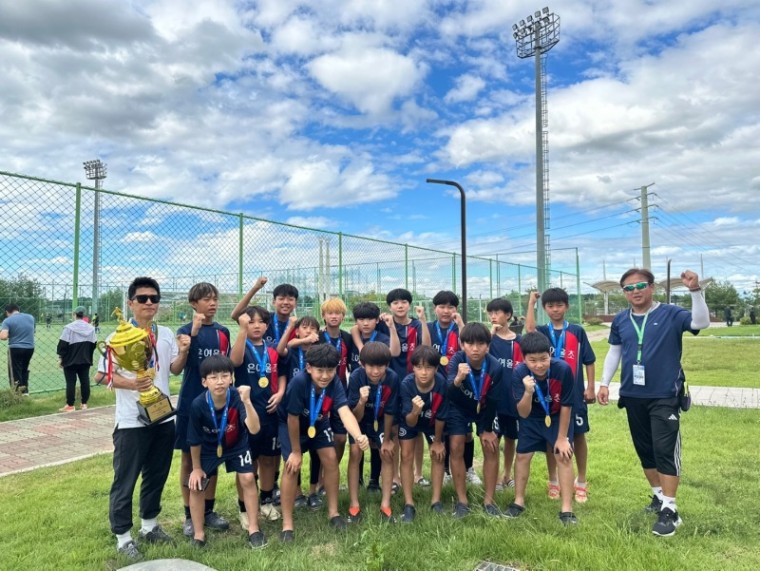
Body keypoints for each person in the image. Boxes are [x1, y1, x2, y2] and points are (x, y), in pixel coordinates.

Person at [597, 268, 709, 537]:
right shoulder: (621, 320)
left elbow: (700, 323)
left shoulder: (670, 313)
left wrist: (695, 290)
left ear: (652, 287)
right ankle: (658, 496)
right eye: (628, 288)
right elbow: (615, 352)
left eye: (640, 286)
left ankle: (671, 509)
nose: (635, 292)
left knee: (664, 449)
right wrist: (604, 383)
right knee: (645, 449)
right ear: (623, 292)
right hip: (633, 395)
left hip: (664, 395)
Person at [99, 277, 186, 561]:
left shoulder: (166, 333)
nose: (149, 303)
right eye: (143, 298)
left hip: (162, 416)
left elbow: (173, 370)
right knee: (126, 479)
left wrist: (183, 352)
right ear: (130, 303)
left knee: (157, 474)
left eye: (154, 298)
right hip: (130, 421)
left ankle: (149, 525)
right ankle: (123, 538)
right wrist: (131, 385)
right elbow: (101, 376)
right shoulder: (118, 338)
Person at [278, 344, 370, 542]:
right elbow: (292, 418)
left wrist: (358, 434)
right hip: (291, 425)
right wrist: (295, 451)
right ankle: (287, 525)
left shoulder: (335, 382)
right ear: (309, 367)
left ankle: (334, 513)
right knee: (291, 467)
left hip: (318, 422)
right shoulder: (298, 383)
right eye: (320, 370)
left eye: (330, 370)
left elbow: (344, 411)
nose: (325, 376)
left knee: (330, 459)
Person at [171, 282, 232, 538]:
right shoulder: (185, 331)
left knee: (213, 458)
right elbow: (178, 367)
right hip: (190, 405)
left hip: (217, 407)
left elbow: (226, 368)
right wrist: (192, 337)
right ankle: (189, 514)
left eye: (215, 298)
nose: (213, 303)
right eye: (206, 299)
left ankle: (208, 510)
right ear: (194, 303)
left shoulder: (223, 332)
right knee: (188, 458)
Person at [186, 355, 266, 549]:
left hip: (237, 444)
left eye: (224, 376)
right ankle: (199, 534)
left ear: (231, 378)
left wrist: (247, 402)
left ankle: (254, 529)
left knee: (248, 477)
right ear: (204, 382)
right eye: (213, 377)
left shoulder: (238, 398)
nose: (220, 381)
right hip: (208, 448)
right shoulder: (198, 404)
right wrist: (196, 468)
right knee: (197, 484)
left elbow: (254, 429)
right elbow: (194, 440)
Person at [526, 288, 596, 503]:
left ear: (567, 306)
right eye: (550, 306)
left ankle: (581, 481)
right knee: (552, 439)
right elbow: (529, 331)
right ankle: (553, 480)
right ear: (545, 309)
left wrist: (591, 387)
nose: (555, 309)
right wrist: (531, 303)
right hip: (550, 395)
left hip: (574, 395)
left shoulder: (577, 331)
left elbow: (589, 360)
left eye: (559, 305)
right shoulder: (543, 331)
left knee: (578, 436)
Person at [507, 331, 577, 525]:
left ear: (550, 354)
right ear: (524, 359)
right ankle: (518, 501)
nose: (539, 365)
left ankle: (566, 510)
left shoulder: (562, 369)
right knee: (522, 456)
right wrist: (528, 392)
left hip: (556, 417)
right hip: (532, 419)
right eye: (533, 360)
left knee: (563, 455)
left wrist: (562, 438)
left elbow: (566, 405)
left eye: (543, 359)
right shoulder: (519, 372)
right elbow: (522, 413)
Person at [231, 305, 286, 526]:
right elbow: (234, 362)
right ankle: (244, 507)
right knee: (248, 461)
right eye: (251, 321)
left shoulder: (272, 348)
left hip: (270, 410)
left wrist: (281, 393)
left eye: (260, 322)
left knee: (268, 459)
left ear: (267, 325)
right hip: (247, 412)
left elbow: (281, 374)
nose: (256, 325)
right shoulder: (241, 346)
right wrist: (242, 330)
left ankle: (266, 500)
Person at [446, 322, 503, 517]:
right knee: (455, 446)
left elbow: (495, 399)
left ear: (488, 345)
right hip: (458, 407)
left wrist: (487, 429)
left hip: (485, 409)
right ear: (462, 345)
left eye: (480, 343)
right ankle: (462, 501)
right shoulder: (457, 360)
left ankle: (489, 502)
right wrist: (458, 379)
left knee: (491, 446)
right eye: (469, 343)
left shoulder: (495, 366)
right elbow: (449, 393)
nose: (475, 348)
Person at [346, 342, 399, 522]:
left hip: (382, 421)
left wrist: (388, 439)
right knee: (355, 452)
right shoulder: (355, 377)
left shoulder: (392, 378)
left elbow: (391, 410)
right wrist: (361, 401)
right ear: (362, 364)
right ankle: (354, 503)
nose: (375, 371)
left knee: (387, 453)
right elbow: (354, 416)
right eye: (371, 366)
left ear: (387, 365)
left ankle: (385, 504)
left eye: (380, 366)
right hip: (360, 422)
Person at [398, 345, 447, 522]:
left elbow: (442, 415)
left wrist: (438, 441)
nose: (424, 372)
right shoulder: (406, 385)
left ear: (436, 368)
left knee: (438, 454)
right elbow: (409, 421)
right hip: (411, 420)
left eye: (428, 368)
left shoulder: (441, 383)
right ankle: (409, 503)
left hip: (434, 422)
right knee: (405, 455)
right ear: (413, 368)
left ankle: (436, 501)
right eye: (419, 367)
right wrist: (415, 411)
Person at [277, 315, 322, 509]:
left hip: (313, 411)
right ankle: (297, 493)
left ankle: (313, 491)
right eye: (305, 327)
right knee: (292, 456)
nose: (309, 331)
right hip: (292, 409)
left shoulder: (319, 353)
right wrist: (298, 335)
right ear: (297, 331)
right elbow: (281, 348)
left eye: (313, 328)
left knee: (316, 453)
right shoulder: (293, 350)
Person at [486, 298, 523, 491]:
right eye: (490, 313)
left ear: (508, 315)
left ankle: (506, 475)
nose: (493, 316)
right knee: (493, 438)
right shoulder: (488, 340)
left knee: (511, 438)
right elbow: (479, 355)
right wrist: (490, 334)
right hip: (494, 399)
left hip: (514, 400)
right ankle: (492, 477)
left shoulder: (519, 341)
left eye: (497, 312)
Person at [56, 306, 97, 411]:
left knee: (70, 382)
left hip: (70, 359)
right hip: (85, 358)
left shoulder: (69, 328)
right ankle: (84, 404)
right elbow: (94, 344)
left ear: (74, 315)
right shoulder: (91, 328)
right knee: (85, 380)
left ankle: (70, 405)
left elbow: (62, 344)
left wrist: (61, 357)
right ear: (84, 316)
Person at [1, 303, 35, 394]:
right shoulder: (30, 317)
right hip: (30, 347)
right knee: (24, 369)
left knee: (15, 371)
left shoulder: (7, 320)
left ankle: (16, 393)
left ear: (7, 312)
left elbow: (3, 336)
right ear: (18, 310)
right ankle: (25, 391)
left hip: (15, 348)